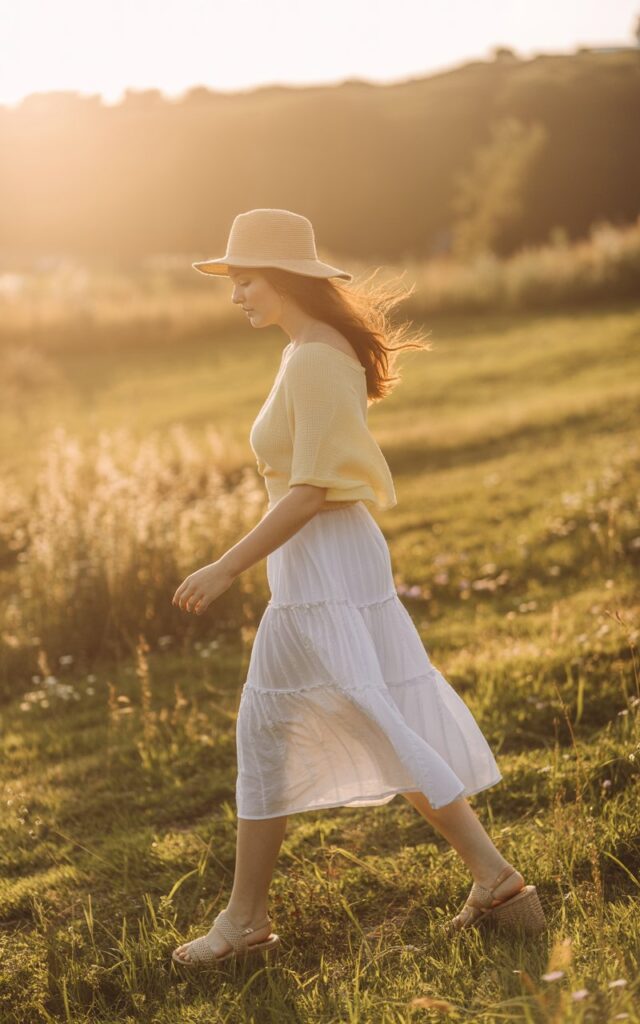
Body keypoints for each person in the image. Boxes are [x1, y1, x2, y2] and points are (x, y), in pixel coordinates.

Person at [171, 209, 546, 968]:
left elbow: (310, 490)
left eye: (244, 279)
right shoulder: (307, 352)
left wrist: (224, 566)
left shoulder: (314, 358)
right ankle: (494, 884)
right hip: (324, 565)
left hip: (324, 567)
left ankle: (249, 925)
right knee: (305, 725)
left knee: (344, 720)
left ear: (282, 281)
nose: (234, 293)